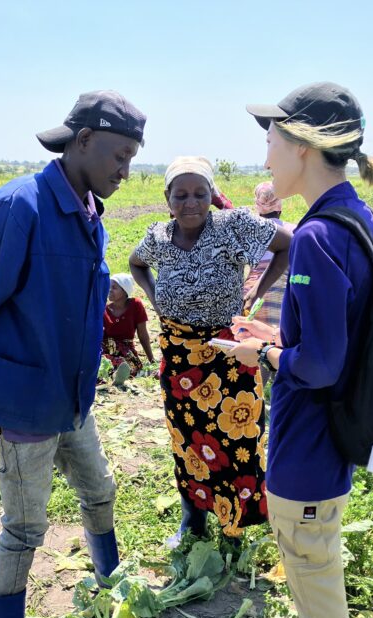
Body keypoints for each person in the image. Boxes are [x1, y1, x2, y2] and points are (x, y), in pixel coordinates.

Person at [0, 90, 147, 618]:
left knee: (100, 488)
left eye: (132, 159)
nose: (124, 172)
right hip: (27, 397)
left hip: (74, 395)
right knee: (25, 526)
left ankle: (109, 579)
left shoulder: (86, 212)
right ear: (83, 141)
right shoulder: (19, 207)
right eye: (119, 155)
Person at [232, 82, 373, 618]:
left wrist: (263, 358)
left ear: (302, 147)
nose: (265, 157)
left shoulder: (318, 237)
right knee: (309, 556)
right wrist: (278, 341)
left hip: (311, 442)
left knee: (313, 569)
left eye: (271, 141)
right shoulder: (356, 218)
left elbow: (319, 365)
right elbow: (334, 340)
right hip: (339, 431)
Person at [129, 156, 291, 548]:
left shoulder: (233, 226)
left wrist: (257, 288)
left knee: (238, 437)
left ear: (211, 195)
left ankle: (235, 527)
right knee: (186, 439)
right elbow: (136, 264)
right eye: (180, 195)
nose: (191, 203)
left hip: (228, 355)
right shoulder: (158, 237)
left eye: (200, 193)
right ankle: (194, 521)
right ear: (167, 198)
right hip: (179, 357)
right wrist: (154, 298)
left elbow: (287, 245)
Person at [243, 182, 296, 330]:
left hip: (249, 293)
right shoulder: (293, 229)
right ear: (280, 205)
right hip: (280, 294)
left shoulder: (249, 232)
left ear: (257, 204)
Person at [102, 272, 155, 383]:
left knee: (130, 365)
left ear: (125, 291)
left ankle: (118, 374)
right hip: (107, 348)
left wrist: (151, 360)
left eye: (114, 288)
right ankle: (113, 375)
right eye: (109, 286)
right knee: (103, 364)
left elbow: (143, 335)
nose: (109, 290)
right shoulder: (103, 309)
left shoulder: (135, 305)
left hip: (126, 349)